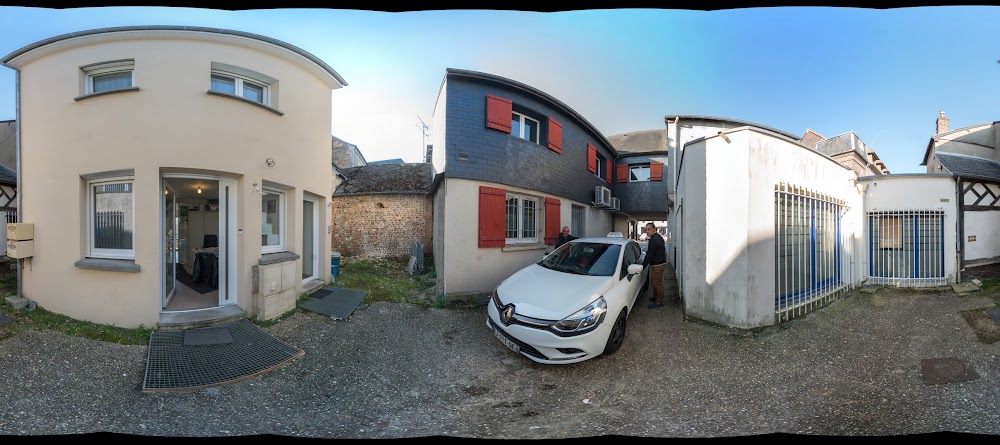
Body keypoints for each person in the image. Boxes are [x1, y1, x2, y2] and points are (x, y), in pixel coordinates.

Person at [642, 222, 667, 309]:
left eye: (649, 229)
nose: (647, 231)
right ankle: (655, 297)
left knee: (657, 283)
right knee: (654, 282)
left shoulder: (654, 239)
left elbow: (649, 254)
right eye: (646, 230)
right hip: (658, 263)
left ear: (654, 229)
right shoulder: (657, 237)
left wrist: (643, 265)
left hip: (657, 265)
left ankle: (659, 302)